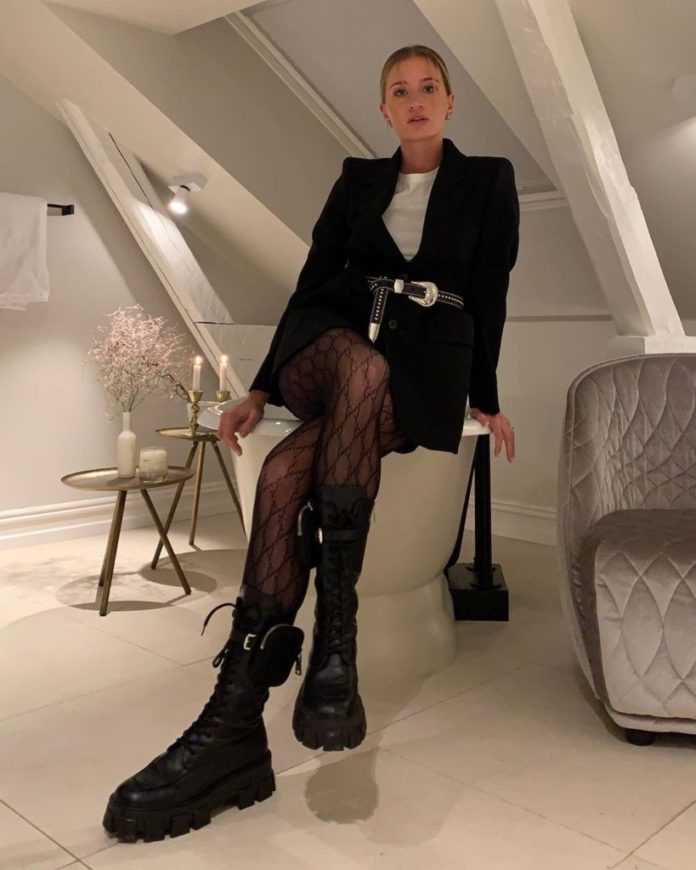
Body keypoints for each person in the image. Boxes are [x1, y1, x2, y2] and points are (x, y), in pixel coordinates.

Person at [102, 44, 519, 842]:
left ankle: (232, 725)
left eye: (429, 86)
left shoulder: (488, 181)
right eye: (400, 90)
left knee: (291, 466)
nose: (416, 99)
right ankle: (335, 639)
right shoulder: (358, 180)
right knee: (359, 368)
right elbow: (312, 278)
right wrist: (260, 387)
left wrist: (487, 398)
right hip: (329, 346)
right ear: (385, 109)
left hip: (420, 369)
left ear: (450, 101)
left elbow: (489, 293)